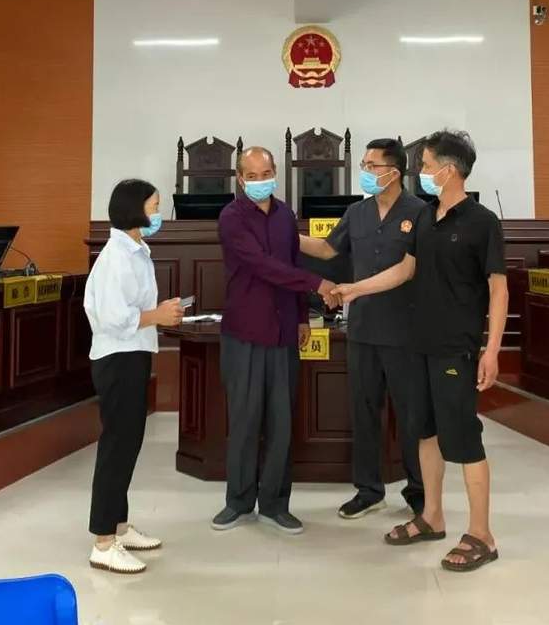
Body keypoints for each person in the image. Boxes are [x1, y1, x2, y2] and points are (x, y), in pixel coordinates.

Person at [334, 130, 508, 572]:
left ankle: (482, 534)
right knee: (424, 433)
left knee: (463, 439)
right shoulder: (425, 216)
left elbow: (498, 288)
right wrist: (356, 289)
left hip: (456, 348)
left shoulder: (482, 221)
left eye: (427, 165)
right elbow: (404, 270)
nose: (422, 172)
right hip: (418, 345)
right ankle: (431, 516)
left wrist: (492, 350)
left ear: (449, 170)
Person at [212, 147, 337, 534]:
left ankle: (275, 504)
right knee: (245, 420)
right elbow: (262, 266)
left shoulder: (285, 215)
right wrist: (318, 284)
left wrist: (301, 316)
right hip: (245, 332)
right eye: (252, 175)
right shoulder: (231, 217)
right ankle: (238, 502)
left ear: (275, 172)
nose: (260, 180)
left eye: (266, 173)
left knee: (282, 422)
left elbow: (293, 265)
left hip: (284, 332)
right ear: (240, 178)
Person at [300, 138, 426, 519]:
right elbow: (327, 250)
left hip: (406, 331)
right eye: (365, 165)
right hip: (363, 329)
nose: (366, 172)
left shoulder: (420, 212)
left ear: (394, 172)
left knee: (411, 415)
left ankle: (420, 491)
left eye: (373, 166)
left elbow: (411, 269)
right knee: (364, 411)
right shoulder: (357, 212)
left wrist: (354, 289)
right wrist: (283, 235)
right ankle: (369, 490)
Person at [84, 179, 184, 574]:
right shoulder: (116, 257)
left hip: (134, 352)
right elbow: (114, 317)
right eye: (154, 206)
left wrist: (158, 312)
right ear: (134, 209)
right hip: (117, 358)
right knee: (117, 446)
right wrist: (158, 315)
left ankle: (119, 527)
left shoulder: (136, 250)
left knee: (129, 443)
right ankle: (103, 541)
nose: (158, 213)